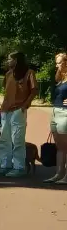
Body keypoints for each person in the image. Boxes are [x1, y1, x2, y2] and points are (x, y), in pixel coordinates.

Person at [0, 51, 38, 177]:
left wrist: (25, 106)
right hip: (5, 111)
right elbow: (6, 95)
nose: (8, 61)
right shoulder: (8, 74)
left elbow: (34, 91)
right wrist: (0, 111)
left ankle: (19, 167)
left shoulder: (29, 73)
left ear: (16, 60)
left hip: (19, 110)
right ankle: (5, 165)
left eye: (9, 59)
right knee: (3, 140)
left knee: (17, 139)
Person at [46, 52, 67, 183]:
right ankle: (59, 174)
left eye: (59, 62)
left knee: (66, 146)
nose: (57, 65)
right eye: (56, 62)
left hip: (65, 114)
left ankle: (66, 177)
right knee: (60, 147)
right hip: (55, 112)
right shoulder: (60, 77)